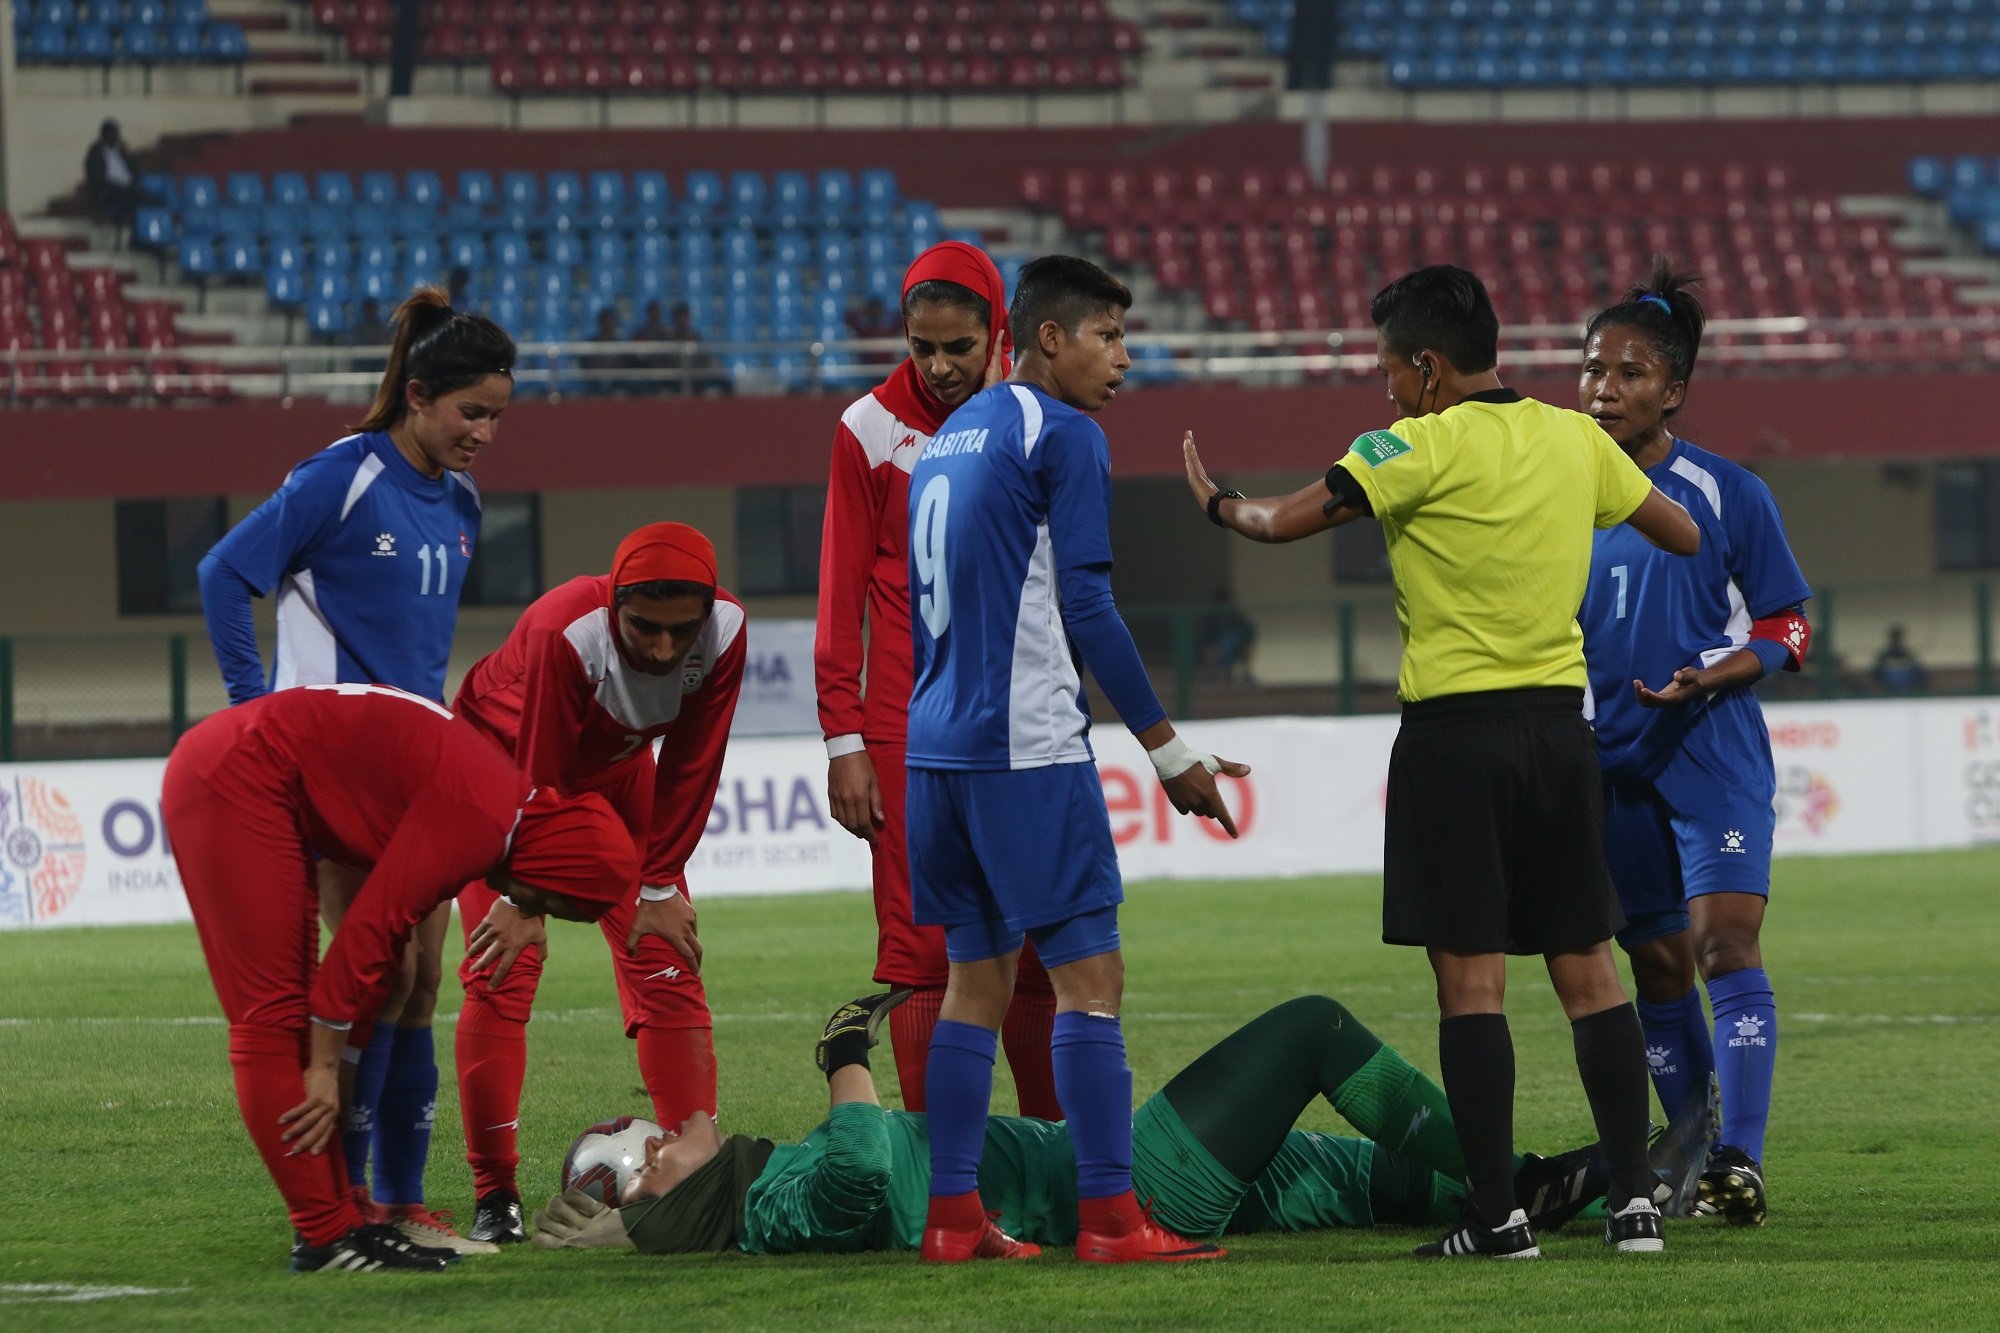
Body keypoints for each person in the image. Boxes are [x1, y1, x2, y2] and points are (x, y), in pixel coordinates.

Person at [1186, 264, 1701, 1259]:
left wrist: (1216, 505)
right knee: (1588, 971)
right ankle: (1634, 1205)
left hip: (1454, 740)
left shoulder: (1406, 445)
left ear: (1425, 367)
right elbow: (1677, 530)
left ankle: (1497, 1218)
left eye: (1387, 371)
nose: (1382, 390)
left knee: (1469, 987)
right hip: (1558, 734)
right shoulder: (1570, 435)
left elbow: (1283, 519)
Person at [905, 255, 1246, 1264]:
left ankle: (951, 1217)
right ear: (1049, 338)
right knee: (1088, 977)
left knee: (974, 979)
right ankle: (1109, 1217)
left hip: (934, 754)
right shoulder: (1061, 434)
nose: (1123, 359)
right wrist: (1167, 749)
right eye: (1107, 335)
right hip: (1024, 749)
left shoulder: (950, 436)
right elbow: (1087, 607)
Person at [195, 285, 514, 1254]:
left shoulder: (460, 500)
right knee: (379, 974)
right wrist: (257, 713)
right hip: (336, 773)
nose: (485, 434)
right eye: (472, 413)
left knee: (419, 984)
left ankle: (399, 1196)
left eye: (498, 416)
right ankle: (351, 1205)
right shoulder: (342, 474)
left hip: (415, 774)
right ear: (417, 396)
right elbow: (223, 572)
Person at [527, 991, 1618, 1258]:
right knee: (1309, 1034)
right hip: (1125, 1180)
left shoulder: (750, 1193)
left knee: (1340, 1176)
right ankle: (1508, 1185)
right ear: (666, 1194)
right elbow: (860, 1174)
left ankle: (1584, 1186)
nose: (665, 1134)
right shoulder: (764, 1199)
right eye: (649, 1154)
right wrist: (844, 1061)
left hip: (1110, 1165)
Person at [161, 682, 636, 1272]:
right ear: (555, 868)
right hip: (234, 778)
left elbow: (376, 945)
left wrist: (333, 1058)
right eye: (558, 905)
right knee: (274, 1019)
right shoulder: (478, 823)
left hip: (263, 773)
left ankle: (348, 1218)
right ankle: (324, 1238)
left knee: (383, 978)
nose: (538, 913)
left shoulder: (501, 805)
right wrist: (323, 1067)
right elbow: (367, 931)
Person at [1576, 260, 1814, 1227]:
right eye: (1592, 369)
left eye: (1629, 373)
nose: (1603, 389)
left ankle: (1740, 1159)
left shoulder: (1727, 490)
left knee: (1723, 945)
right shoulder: (1561, 495)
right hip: (1610, 759)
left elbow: (1791, 625)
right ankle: (1688, 1154)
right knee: (1659, 969)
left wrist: (1719, 671)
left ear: (1672, 389)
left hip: (1711, 746)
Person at [815, 241, 1062, 1124]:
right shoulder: (868, 428)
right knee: (925, 951)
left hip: (1021, 718)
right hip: (905, 726)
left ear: (999, 332)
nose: (941, 366)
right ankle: (939, 1176)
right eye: (924, 347)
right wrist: (845, 739)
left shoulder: (1033, 419)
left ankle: (1052, 1156)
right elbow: (840, 597)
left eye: (961, 347)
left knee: (1038, 948)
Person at [449, 522, 744, 1245]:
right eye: (646, 628)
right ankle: (495, 1194)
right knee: (505, 967)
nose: (666, 648)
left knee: (667, 959)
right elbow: (539, 774)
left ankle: (692, 1173)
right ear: (615, 605)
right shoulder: (566, 632)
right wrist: (524, 898)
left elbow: (691, 765)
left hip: (613, 773)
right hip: (501, 776)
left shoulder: (727, 631)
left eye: (683, 630)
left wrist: (659, 884)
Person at [84, 119, 144, 228]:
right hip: (108, 190)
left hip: (127, 187)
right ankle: (116, 217)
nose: (116, 137)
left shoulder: (120, 151)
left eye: (116, 133)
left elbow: (136, 171)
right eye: (113, 133)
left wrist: (127, 155)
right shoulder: (96, 152)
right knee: (134, 195)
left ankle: (135, 224)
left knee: (150, 198)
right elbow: (97, 179)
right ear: (104, 135)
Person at [1873, 626, 1925, 694]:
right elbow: (1876, 676)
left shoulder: (1909, 656)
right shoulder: (1884, 657)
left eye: (1899, 639)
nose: (1897, 641)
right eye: (1895, 639)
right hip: (1888, 693)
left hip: (1909, 692)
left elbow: (1919, 675)